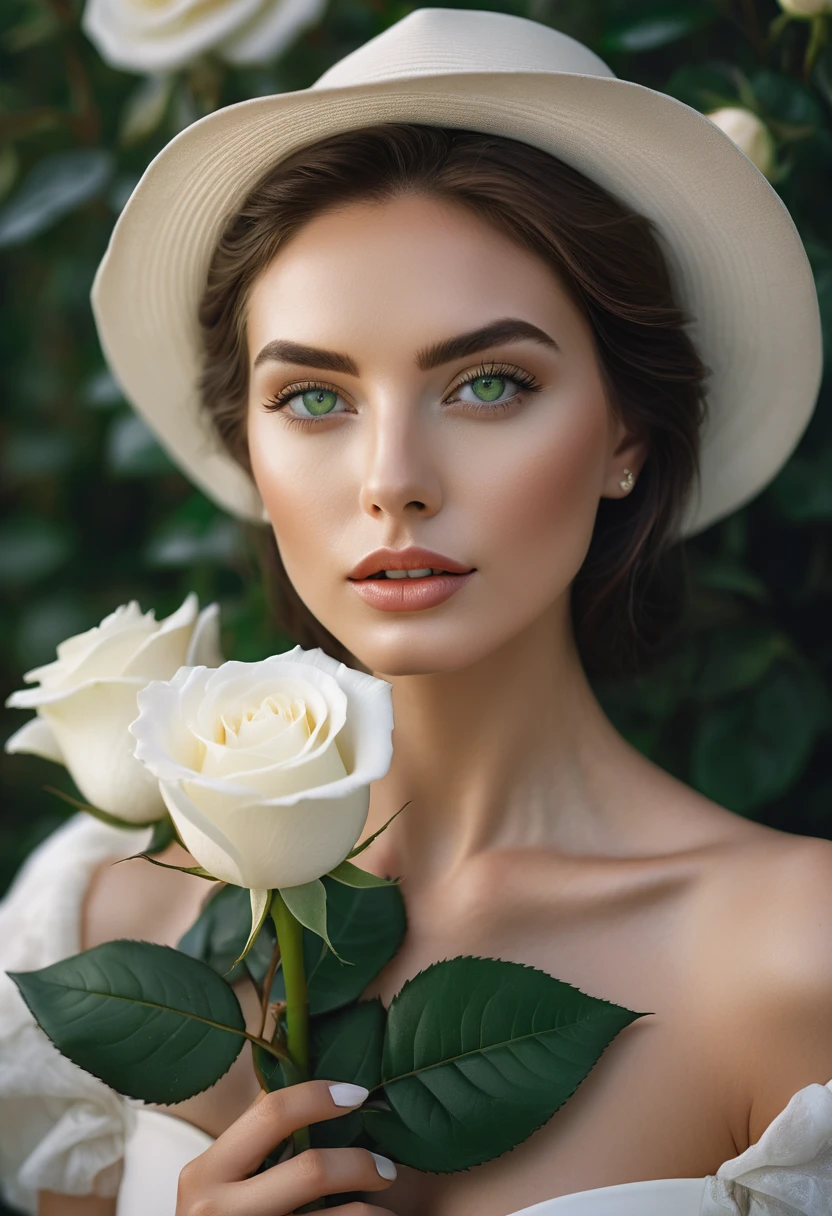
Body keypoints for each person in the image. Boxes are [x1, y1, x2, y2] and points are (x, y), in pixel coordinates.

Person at [1, 7, 830, 1215]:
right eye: (314, 397)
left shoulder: (793, 954)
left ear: (627, 439)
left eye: (488, 383)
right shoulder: (101, 927)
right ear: (248, 446)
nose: (393, 477)